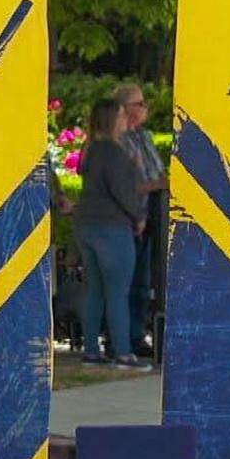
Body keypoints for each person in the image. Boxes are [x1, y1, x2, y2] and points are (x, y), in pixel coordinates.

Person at [74, 99, 148, 368]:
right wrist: (138, 217)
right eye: (120, 116)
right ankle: (123, 352)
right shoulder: (114, 153)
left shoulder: (90, 150)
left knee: (94, 289)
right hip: (112, 227)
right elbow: (122, 191)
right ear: (111, 120)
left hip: (86, 223)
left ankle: (91, 349)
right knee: (118, 291)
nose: (124, 120)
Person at [115, 83, 167, 359]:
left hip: (151, 218)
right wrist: (156, 184)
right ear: (125, 109)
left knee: (142, 283)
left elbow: (154, 170)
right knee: (124, 282)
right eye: (140, 103)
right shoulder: (117, 140)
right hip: (127, 219)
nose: (145, 108)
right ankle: (121, 339)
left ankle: (137, 336)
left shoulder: (144, 137)